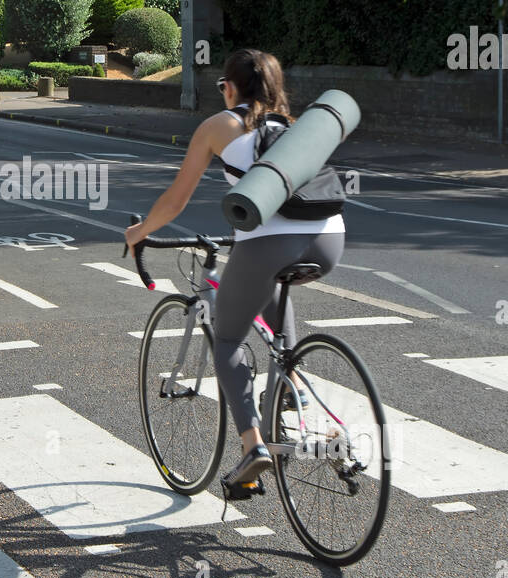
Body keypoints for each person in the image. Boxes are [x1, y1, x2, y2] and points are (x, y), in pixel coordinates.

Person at [124, 48, 345, 493]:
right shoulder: (297, 128)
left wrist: (140, 232)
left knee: (226, 335)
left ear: (229, 87)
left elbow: (176, 200)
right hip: (331, 238)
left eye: (222, 86)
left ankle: (253, 448)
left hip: (268, 242)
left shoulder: (218, 127)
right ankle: (292, 383)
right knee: (274, 294)